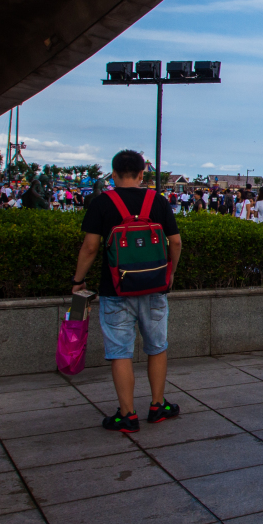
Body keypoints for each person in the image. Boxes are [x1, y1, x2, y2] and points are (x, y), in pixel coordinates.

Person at [71, 149, 182, 433]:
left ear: (114, 173)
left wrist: (78, 281)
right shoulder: (157, 201)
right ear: (142, 173)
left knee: (120, 351)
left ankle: (127, 414)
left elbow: (91, 247)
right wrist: (170, 274)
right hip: (155, 285)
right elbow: (176, 242)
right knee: (157, 347)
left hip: (116, 288)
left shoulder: (102, 203)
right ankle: (158, 406)